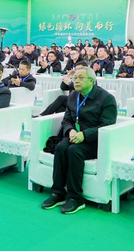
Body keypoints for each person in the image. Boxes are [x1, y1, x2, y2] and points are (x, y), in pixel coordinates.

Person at [40, 67, 118, 214]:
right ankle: (58, 193)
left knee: (74, 151)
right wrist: (70, 130)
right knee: (60, 147)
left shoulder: (106, 98)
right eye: (75, 78)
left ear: (91, 80)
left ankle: (75, 198)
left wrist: (85, 135)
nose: (76, 81)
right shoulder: (73, 96)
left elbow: (107, 125)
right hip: (75, 135)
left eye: (80, 78)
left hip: (96, 141)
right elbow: (66, 120)